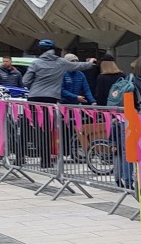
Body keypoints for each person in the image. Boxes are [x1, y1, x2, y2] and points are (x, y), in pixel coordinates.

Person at [22, 40, 95, 168]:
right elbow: (78, 66)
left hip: (34, 97)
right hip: (50, 99)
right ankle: (45, 161)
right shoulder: (60, 62)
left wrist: (34, 86)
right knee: (47, 129)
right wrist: (90, 63)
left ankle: (20, 157)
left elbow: (25, 81)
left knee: (29, 128)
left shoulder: (35, 63)